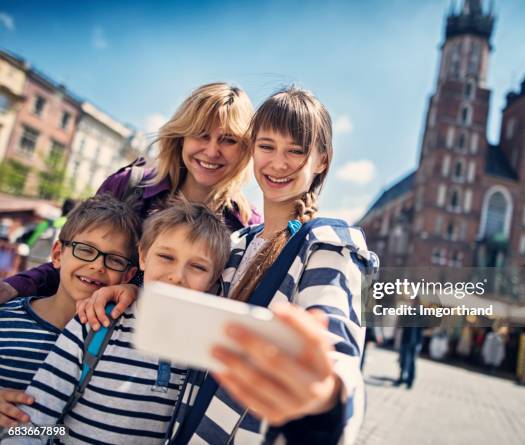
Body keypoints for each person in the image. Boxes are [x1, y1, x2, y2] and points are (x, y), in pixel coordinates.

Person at [79, 87, 378, 445]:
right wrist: (135, 291)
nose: (278, 163)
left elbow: (337, 356)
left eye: (295, 151)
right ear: (252, 151)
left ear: (322, 160)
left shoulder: (329, 245)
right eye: (267, 146)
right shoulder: (236, 244)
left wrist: (325, 397)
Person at [0, 82, 260, 304]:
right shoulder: (129, 186)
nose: (212, 151)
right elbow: (75, 257)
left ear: (245, 149)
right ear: (181, 137)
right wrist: (15, 286)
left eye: (228, 140)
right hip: (94, 341)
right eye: (201, 135)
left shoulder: (250, 227)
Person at [7, 201, 231, 443]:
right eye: (166, 257)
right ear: (143, 257)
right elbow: (35, 422)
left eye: (198, 266)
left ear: (213, 279)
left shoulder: (203, 351)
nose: (177, 276)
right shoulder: (95, 323)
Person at [0, 195, 140, 427]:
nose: (97, 265)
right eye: (85, 250)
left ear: (127, 276)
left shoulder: (118, 348)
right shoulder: (5, 318)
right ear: (57, 254)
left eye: (114, 260)